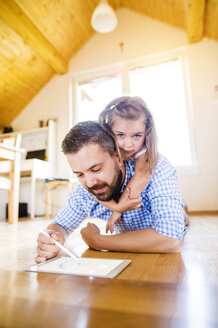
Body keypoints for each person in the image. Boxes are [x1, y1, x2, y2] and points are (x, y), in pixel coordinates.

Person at [36, 119, 186, 264]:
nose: (89, 183)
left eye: (96, 169)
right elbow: (60, 225)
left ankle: (182, 209)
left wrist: (98, 241)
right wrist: (53, 238)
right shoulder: (86, 190)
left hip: (169, 219)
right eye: (79, 175)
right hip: (139, 233)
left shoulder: (154, 166)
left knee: (182, 218)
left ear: (118, 157)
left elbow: (171, 240)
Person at [98, 96, 157, 234]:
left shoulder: (144, 150)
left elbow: (141, 177)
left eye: (136, 136)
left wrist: (118, 209)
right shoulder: (107, 148)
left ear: (146, 132)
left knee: (181, 215)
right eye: (120, 135)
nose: (129, 144)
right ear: (110, 131)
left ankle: (183, 208)